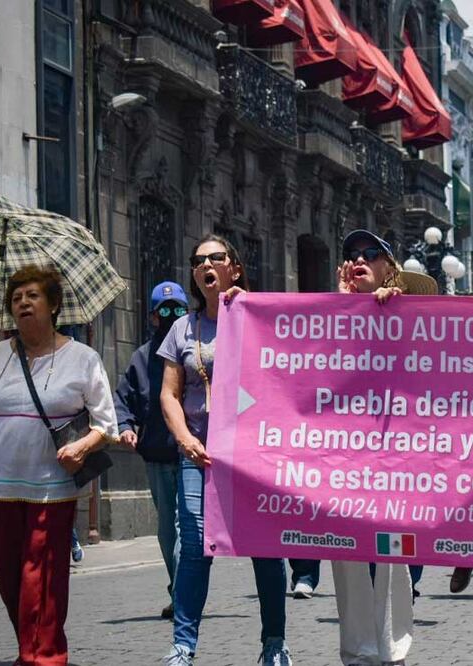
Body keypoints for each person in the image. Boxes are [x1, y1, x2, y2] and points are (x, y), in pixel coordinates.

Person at [0, 266, 118, 666]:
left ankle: (44, 656)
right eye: (16, 299)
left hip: (51, 484)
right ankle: (30, 646)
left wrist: (81, 446)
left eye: (32, 296)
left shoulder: (83, 358)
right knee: (9, 575)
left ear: (53, 304)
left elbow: (106, 423)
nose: (23, 303)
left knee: (40, 575)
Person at [159, 235, 291, 666]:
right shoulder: (183, 328)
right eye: (198, 261)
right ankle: (183, 645)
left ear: (233, 267)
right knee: (194, 546)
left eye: (216, 258)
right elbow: (169, 394)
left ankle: (274, 643)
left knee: (265, 547)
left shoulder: (257, 315)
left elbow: (288, 376)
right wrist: (185, 439)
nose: (206, 265)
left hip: (252, 454)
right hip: (200, 452)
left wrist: (248, 309)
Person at [331, 229, 436, 666]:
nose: (359, 258)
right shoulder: (327, 316)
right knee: (349, 556)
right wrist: (342, 308)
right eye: (351, 254)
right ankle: (357, 652)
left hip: (398, 455)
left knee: (392, 556)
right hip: (342, 453)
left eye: (370, 253)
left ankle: (391, 649)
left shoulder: (412, 316)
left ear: (388, 267)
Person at [114, 280, 189, 619]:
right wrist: (125, 428)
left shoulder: (196, 351)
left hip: (192, 455)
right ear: (153, 317)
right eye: (166, 311)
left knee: (187, 526)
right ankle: (180, 589)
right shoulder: (141, 358)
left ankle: (185, 593)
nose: (173, 316)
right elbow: (123, 400)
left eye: (179, 310)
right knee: (166, 529)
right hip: (158, 456)